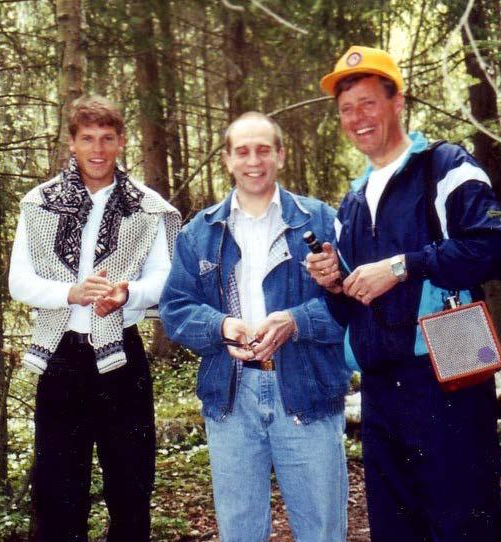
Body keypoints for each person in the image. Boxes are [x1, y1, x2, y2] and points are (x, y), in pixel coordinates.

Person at [307, 45, 501, 541]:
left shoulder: (445, 167)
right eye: (346, 109)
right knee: (396, 526)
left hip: (454, 369)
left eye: (368, 103)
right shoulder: (353, 201)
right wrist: (335, 282)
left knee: (464, 521)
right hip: (381, 384)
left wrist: (402, 266)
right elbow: (347, 308)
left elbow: (496, 250)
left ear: (398, 102)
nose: (357, 118)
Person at [159, 112, 350, 542]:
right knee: (240, 531)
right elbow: (175, 308)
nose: (253, 160)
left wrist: (296, 322)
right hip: (231, 397)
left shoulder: (320, 221)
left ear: (280, 155)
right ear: (227, 159)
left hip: (307, 391)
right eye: (242, 151)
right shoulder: (199, 233)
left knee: (322, 530)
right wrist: (222, 326)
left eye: (264, 149)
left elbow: (352, 303)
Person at [8, 95, 181, 542]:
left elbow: (168, 279)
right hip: (61, 359)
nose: (98, 149)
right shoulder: (39, 203)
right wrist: (71, 293)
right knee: (58, 490)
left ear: (122, 142)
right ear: (72, 143)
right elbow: (19, 281)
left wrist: (129, 293)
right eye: (88, 139)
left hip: (123, 357)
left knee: (131, 484)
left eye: (107, 138)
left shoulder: (148, 207)